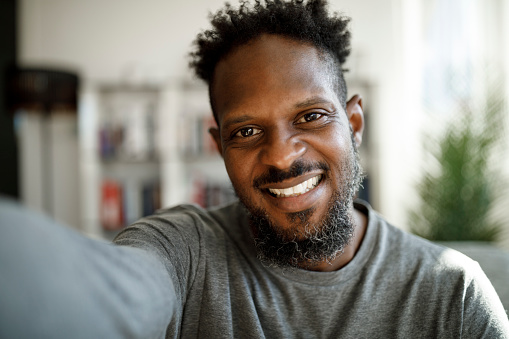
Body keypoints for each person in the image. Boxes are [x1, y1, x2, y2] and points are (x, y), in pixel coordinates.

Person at [0, 0, 508, 338]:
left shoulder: (452, 295)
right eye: (246, 132)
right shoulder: (185, 254)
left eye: (311, 117)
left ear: (354, 123)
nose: (283, 157)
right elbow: (119, 290)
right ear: (219, 146)